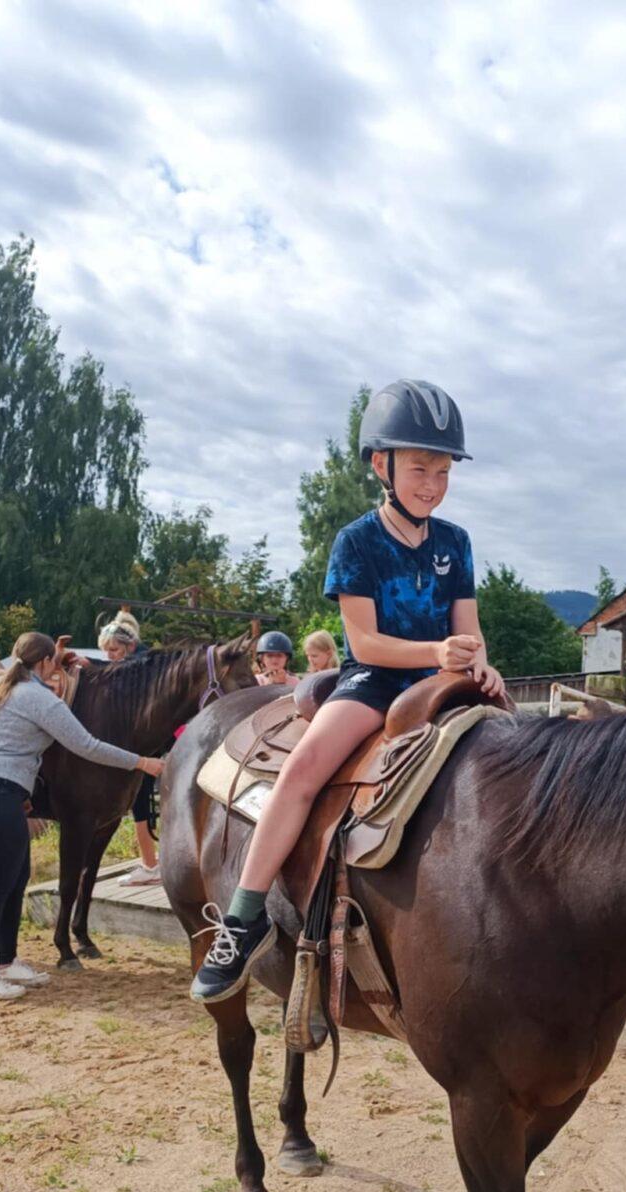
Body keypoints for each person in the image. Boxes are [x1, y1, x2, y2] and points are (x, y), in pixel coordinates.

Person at [191, 378, 505, 1002]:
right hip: (376, 680)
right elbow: (364, 642)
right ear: (381, 465)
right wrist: (437, 653)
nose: (433, 485)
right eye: (420, 469)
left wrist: (481, 665)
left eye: (444, 472)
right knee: (303, 771)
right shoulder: (356, 541)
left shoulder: (456, 543)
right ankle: (244, 918)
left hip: (445, 681)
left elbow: (467, 630)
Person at [0, 632, 164, 1000]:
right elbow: (87, 745)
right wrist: (142, 762)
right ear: (46, 662)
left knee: (15, 880)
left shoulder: (1, 689)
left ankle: (5, 961)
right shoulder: (39, 699)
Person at [99, 610, 161, 887]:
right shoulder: (144, 665)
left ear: (130, 646)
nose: (110, 656)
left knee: (140, 803)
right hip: (148, 743)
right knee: (142, 803)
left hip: (142, 746)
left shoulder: (136, 669)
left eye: (114, 650)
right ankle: (151, 861)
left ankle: (150, 864)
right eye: (107, 651)